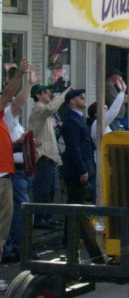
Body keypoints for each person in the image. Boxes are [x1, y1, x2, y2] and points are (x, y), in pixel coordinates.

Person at [60, 88, 103, 261]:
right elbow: (73, 148)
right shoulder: (71, 120)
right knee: (75, 204)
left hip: (84, 166)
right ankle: (73, 238)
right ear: (72, 102)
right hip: (77, 170)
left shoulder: (77, 119)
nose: (84, 98)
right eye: (80, 97)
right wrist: (82, 169)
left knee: (76, 204)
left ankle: (73, 237)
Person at [0, 60, 32, 290]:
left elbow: (15, 103)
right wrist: (19, 75)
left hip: (6, 178)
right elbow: (8, 97)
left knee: (2, 232)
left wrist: (18, 144)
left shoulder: (3, 121)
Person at [2, 65, 37, 263]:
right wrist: (27, 83)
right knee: (17, 212)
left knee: (14, 213)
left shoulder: (11, 122)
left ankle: (14, 247)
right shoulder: (7, 113)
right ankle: (16, 247)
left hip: (16, 172)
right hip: (10, 173)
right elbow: (16, 103)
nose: (14, 104)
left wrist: (23, 146)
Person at [29, 83, 69, 229]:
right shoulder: (38, 109)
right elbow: (50, 108)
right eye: (45, 92)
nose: (49, 94)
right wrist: (64, 95)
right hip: (43, 155)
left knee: (50, 189)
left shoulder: (46, 115)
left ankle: (46, 216)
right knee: (43, 189)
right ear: (38, 95)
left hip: (50, 155)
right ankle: (39, 218)